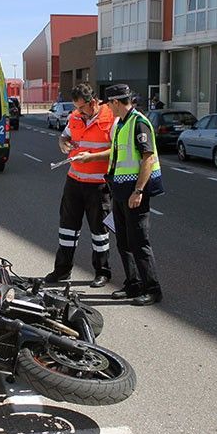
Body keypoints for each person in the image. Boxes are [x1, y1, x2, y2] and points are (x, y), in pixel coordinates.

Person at [76, 83, 164, 306]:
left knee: (139, 242)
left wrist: (139, 191)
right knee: (123, 242)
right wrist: (91, 157)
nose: (108, 107)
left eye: (110, 103)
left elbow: (148, 159)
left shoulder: (139, 124)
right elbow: (116, 154)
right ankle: (133, 284)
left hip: (135, 193)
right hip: (120, 191)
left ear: (116, 102)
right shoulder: (121, 124)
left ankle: (152, 289)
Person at [44, 83, 115, 288]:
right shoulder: (75, 116)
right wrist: (63, 142)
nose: (79, 112)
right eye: (77, 108)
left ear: (93, 102)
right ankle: (62, 270)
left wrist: (91, 157)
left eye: (82, 107)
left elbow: (117, 149)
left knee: (99, 231)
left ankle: (102, 272)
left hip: (98, 184)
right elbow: (64, 135)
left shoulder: (110, 117)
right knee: (67, 228)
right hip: (74, 180)